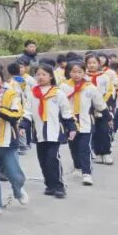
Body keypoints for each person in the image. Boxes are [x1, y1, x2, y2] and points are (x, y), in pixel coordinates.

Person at [22, 63, 76, 199]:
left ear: (51, 76)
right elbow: (27, 112)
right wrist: (23, 126)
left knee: (53, 159)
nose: (40, 77)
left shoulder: (57, 93)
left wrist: (72, 127)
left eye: (44, 74)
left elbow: (66, 111)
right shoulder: (32, 93)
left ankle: (59, 186)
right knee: (43, 160)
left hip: (54, 132)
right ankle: (49, 185)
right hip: (39, 132)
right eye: (38, 74)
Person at [0, 66, 28, 207]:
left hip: (7, 140)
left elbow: (16, 114)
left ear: (2, 80)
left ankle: (18, 191)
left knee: (15, 174)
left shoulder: (11, 94)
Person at [61, 60, 108, 186]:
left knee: (84, 148)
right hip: (70, 123)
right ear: (69, 72)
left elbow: (99, 103)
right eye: (73, 72)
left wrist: (107, 117)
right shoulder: (64, 87)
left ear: (84, 72)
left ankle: (87, 173)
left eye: (79, 72)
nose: (76, 75)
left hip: (85, 122)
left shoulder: (89, 87)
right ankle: (77, 166)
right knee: (73, 147)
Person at [85, 53, 116, 165]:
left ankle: (106, 153)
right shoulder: (84, 77)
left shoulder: (105, 77)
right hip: (89, 109)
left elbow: (110, 91)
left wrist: (102, 103)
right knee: (94, 132)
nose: (92, 65)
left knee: (104, 131)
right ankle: (97, 153)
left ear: (99, 63)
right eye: (89, 63)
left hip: (103, 107)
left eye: (94, 62)